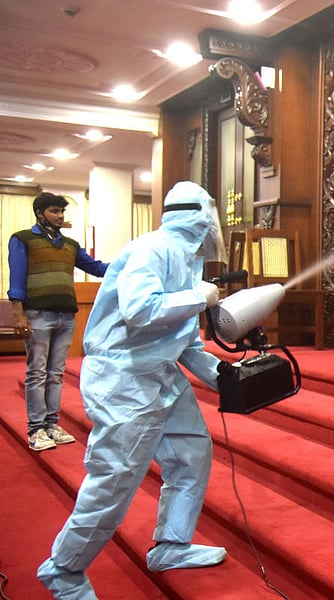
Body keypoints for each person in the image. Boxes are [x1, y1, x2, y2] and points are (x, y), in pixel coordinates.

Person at [37, 181, 229, 599]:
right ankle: (64, 569)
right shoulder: (152, 249)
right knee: (115, 477)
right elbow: (141, 311)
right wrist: (198, 297)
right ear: (197, 217)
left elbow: (183, 339)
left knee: (191, 453)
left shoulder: (187, 258)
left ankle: (172, 545)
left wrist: (225, 377)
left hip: (159, 373)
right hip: (123, 377)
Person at [7, 192, 109, 452]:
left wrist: (131, 262)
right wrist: (18, 314)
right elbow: (16, 279)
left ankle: (52, 425)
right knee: (37, 372)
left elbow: (97, 268)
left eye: (62, 211)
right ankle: (36, 429)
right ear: (40, 213)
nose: (60, 216)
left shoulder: (70, 245)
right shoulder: (23, 239)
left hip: (66, 316)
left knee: (56, 374)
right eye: (54, 211)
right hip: (37, 315)